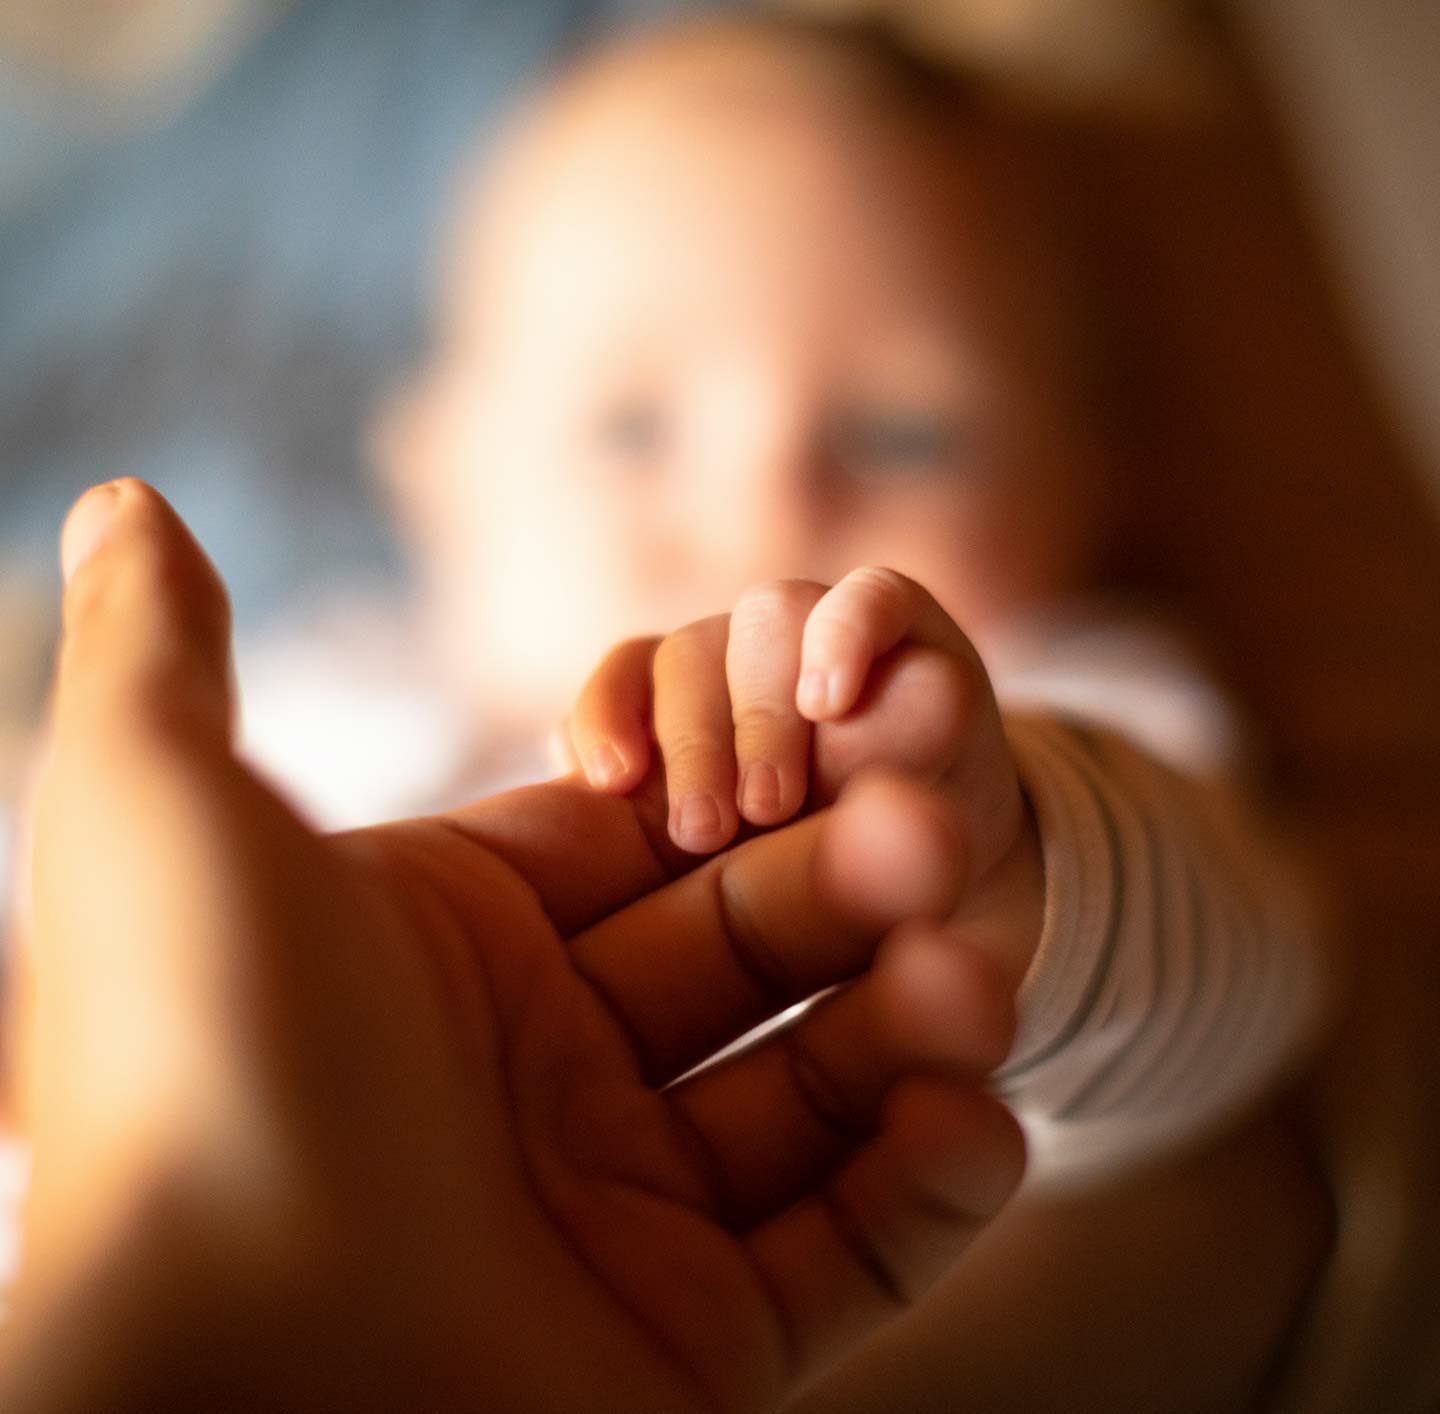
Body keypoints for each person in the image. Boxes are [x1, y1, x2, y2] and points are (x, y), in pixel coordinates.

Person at [2, 478, 1026, 1410]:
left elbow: (1181, 954)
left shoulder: (1006, 692)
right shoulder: (334, 673)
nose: (769, 490)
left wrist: (1005, 852)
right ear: (433, 469)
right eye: (633, 430)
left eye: (907, 437)